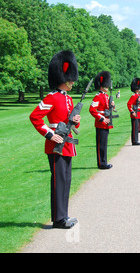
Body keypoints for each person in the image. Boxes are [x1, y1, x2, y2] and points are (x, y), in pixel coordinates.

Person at [29, 50, 80, 229]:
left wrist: (75, 122)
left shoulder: (68, 100)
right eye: (71, 79)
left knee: (66, 180)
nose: (73, 82)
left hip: (67, 144)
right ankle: (58, 219)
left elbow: (71, 124)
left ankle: (64, 215)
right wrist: (50, 134)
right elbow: (35, 117)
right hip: (55, 144)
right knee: (59, 180)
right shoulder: (51, 98)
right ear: (64, 79)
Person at [89, 71, 114, 170]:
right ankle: (101, 163)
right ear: (102, 85)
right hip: (101, 123)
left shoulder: (106, 96)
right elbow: (92, 110)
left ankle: (104, 161)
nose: (107, 87)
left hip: (106, 123)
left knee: (104, 144)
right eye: (106, 85)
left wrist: (112, 105)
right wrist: (102, 118)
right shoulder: (98, 96)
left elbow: (107, 108)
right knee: (101, 145)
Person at [128, 78, 140, 146]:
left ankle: (136, 140)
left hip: (138, 113)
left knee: (136, 128)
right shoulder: (134, 96)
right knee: (134, 128)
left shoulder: (138, 95)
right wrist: (132, 112)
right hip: (134, 113)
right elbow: (129, 104)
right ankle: (134, 141)